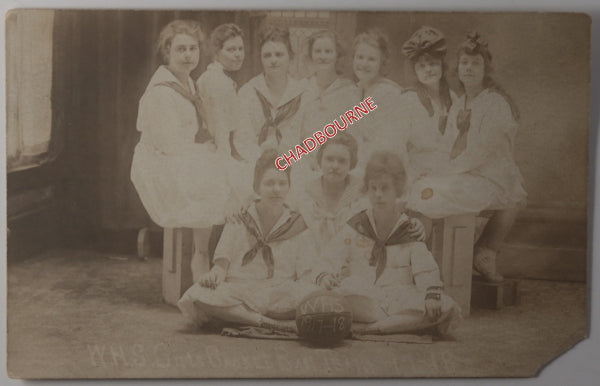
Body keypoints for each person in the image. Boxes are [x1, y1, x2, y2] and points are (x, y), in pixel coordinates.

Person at [408, 32, 527, 282]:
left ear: (486, 69)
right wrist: (433, 168)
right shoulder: (459, 104)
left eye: (476, 63)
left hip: (492, 179)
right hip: (464, 175)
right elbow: (447, 147)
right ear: (457, 68)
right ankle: (417, 261)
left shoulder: (496, 104)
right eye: (464, 63)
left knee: (430, 192)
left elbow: (478, 153)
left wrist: (442, 172)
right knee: (422, 188)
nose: (469, 68)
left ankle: (471, 255)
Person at [315, 151, 460, 335]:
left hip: (400, 297)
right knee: (339, 298)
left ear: (397, 190)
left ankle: (373, 328)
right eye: (373, 188)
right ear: (367, 189)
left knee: (446, 306)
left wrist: (431, 295)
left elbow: (426, 269)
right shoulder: (357, 225)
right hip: (363, 295)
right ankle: (393, 326)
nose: (378, 195)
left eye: (385, 188)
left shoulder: (408, 229)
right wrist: (326, 275)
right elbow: (330, 256)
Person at [130, 20, 234, 277]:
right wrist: (206, 152)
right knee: (213, 177)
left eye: (193, 49)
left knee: (231, 171)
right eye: (181, 49)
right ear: (168, 53)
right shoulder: (161, 92)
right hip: (159, 163)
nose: (188, 55)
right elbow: (169, 145)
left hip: (183, 156)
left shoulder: (189, 83)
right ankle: (202, 257)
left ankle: (214, 260)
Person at [178, 149, 320, 332]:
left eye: (282, 183)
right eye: (269, 183)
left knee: (314, 296)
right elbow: (221, 266)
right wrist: (213, 276)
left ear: (288, 187)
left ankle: (242, 317)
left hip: (280, 292)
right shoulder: (240, 219)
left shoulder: (296, 224)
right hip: (242, 291)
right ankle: (265, 322)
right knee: (198, 294)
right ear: (257, 187)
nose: (276, 189)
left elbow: (305, 273)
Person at [294, 133, 426, 253]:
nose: (335, 166)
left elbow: (390, 210)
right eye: (329, 159)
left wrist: (414, 223)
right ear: (320, 161)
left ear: (351, 164)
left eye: (342, 161)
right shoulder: (305, 194)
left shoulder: (363, 190)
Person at [293, 29, 361, 187]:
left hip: (338, 161)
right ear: (311, 55)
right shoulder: (302, 88)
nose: (322, 56)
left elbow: (354, 134)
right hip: (305, 161)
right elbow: (294, 130)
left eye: (328, 51)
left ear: (337, 55)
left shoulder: (350, 90)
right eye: (318, 51)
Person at [236, 25, 306, 162]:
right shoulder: (248, 92)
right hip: (255, 164)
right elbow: (242, 139)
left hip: (295, 164)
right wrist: (263, 163)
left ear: (290, 56)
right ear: (261, 59)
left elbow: (309, 138)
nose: (273, 60)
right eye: (267, 55)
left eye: (279, 55)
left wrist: (287, 161)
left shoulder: (303, 93)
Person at [399, 26, 457, 185]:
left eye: (432, 64)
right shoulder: (408, 100)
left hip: (449, 169)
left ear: (442, 66)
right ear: (415, 71)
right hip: (418, 172)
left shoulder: (452, 98)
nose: (428, 70)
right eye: (421, 66)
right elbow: (398, 145)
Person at [350, 29, 406, 169]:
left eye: (371, 59)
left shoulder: (388, 93)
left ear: (382, 62)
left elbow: (389, 143)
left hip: (383, 165)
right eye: (360, 57)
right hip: (354, 161)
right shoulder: (353, 91)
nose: (364, 63)